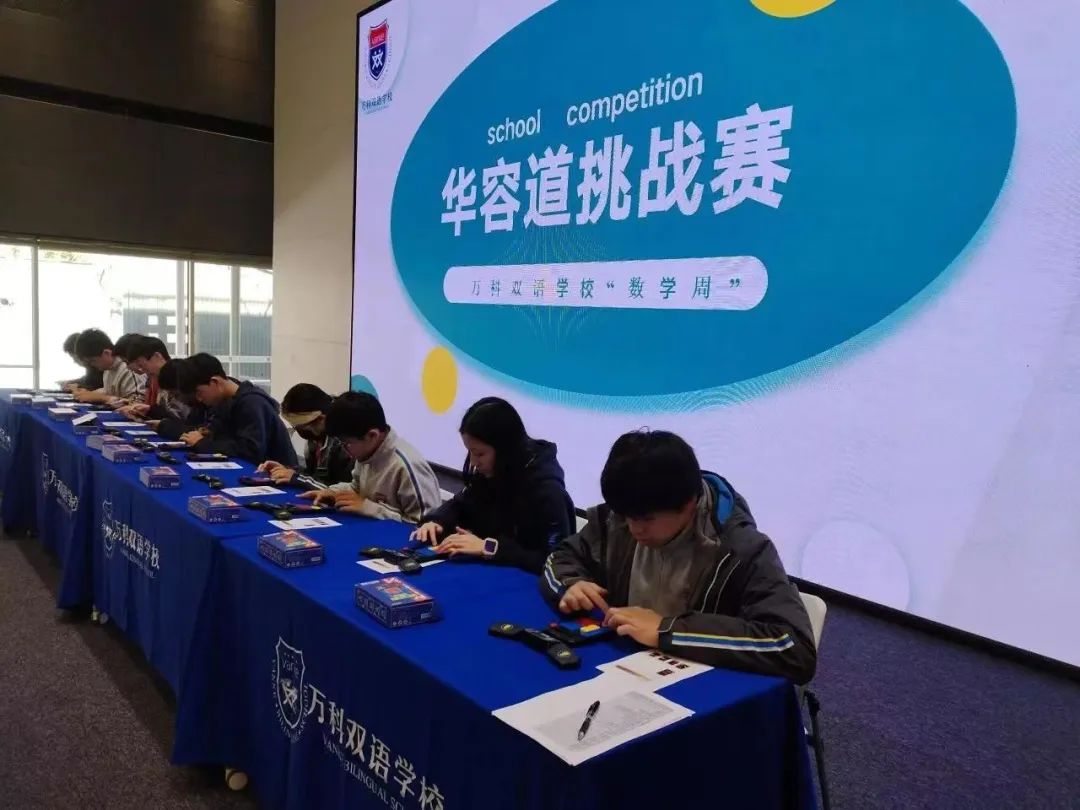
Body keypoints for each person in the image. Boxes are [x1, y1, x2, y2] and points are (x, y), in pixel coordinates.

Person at [540, 430, 816, 684]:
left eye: (646, 519)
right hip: (624, 672)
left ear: (689, 504)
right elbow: (561, 557)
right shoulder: (622, 515)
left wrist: (667, 630)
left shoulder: (742, 550)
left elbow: (793, 647)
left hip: (700, 689)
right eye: (627, 516)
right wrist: (571, 583)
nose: (634, 529)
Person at [412, 397, 575, 573]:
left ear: (505, 449)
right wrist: (438, 521)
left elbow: (554, 561)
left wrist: (489, 547)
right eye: (470, 452)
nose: (473, 462)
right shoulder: (494, 473)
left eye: (480, 454)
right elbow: (461, 504)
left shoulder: (547, 492)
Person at [300, 392, 439, 523]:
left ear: (372, 435)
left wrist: (370, 509)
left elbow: (424, 525)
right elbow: (356, 488)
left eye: (346, 443)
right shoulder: (367, 452)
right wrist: (332, 493)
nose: (344, 450)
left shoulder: (406, 466)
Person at [176, 353, 297, 465]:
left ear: (214, 382)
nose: (199, 399)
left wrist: (202, 443)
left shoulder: (252, 403)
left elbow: (251, 451)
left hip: (276, 473)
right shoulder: (226, 402)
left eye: (199, 393)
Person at [257, 383, 352, 490]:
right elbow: (312, 475)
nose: (297, 430)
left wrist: (296, 478)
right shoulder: (316, 440)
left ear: (321, 419)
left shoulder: (345, 446)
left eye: (300, 426)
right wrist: (286, 470)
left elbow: (336, 490)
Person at [116, 336, 188, 423]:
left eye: (142, 365)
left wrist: (151, 411)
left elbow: (179, 417)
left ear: (157, 356)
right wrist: (145, 410)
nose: (141, 370)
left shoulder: (177, 376)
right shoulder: (152, 377)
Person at [72, 328, 143, 404]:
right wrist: (89, 394)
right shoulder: (108, 369)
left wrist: (101, 398)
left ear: (107, 353)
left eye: (93, 361)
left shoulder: (129, 368)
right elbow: (108, 391)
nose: (92, 365)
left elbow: (137, 403)